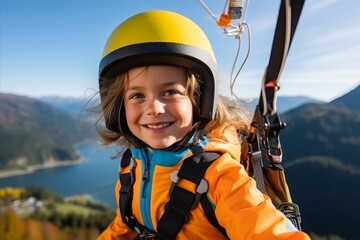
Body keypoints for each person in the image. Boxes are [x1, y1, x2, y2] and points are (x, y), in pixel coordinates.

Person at [96, 10, 311, 239]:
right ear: (120, 108)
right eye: (137, 96)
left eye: (170, 92)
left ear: (200, 101)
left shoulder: (222, 179)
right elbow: (125, 224)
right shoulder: (131, 166)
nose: (155, 108)